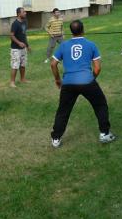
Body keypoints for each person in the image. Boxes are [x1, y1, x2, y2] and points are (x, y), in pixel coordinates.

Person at [49, 20, 116, 148]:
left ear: (71, 31)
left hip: (68, 83)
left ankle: (56, 138)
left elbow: (53, 63)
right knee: (100, 105)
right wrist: (92, 78)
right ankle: (104, 134)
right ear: (83, 30)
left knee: (63, 110)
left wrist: (57, 80)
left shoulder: (63, 45)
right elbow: (97, 68)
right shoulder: (91, 45)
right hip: (87, 81)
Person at [9, 7, 30, 88]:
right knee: (15, 65)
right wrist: (19, 43)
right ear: (18, 14)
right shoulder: (15, 24)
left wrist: (27, 45)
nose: (25, 13)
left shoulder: (24, 22)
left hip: (23, 48)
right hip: (15, 49)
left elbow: (24, 35)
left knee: (23, 64)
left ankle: (22, 79)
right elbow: (11, 35)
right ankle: (12, 82)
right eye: (23, 12)